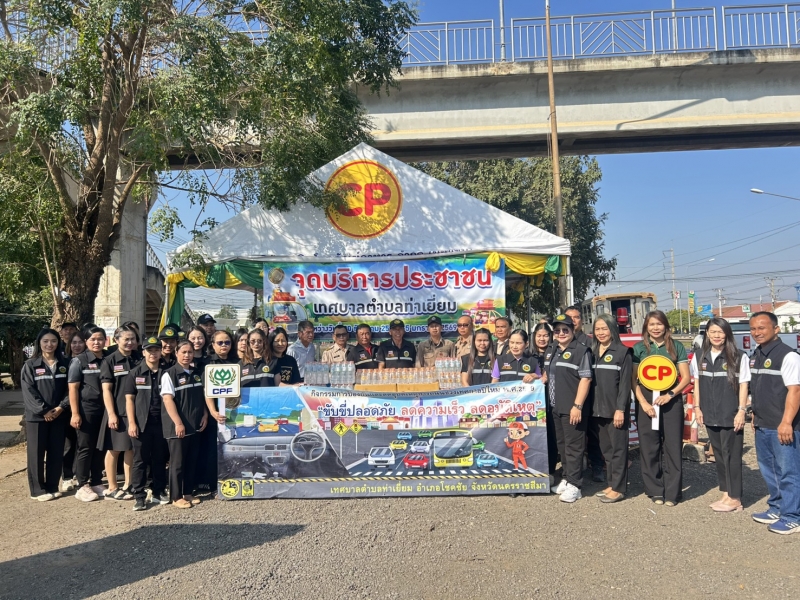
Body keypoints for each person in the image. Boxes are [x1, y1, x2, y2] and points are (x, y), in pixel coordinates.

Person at [748, 311, 800, 534]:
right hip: (763, 423)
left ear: (776, 329)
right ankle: (777, 507)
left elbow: (795, 391)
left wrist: (786, 422)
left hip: (783, 425)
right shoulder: (756, 354)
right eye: (753, 329)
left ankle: (793, 516)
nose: (756, 332)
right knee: (770, 469)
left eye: (762, 328)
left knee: (789, 472)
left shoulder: (788, 356)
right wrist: (755, 415)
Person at [633, 310, 691, 507]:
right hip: (647, 399)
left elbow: (686, 378)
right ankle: (655, 490)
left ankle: (673, 493)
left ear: (666, 326)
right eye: (651, 324)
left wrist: (670, 395)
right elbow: (633, 380)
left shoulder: (676, 346)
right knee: (649, 446)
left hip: (671, 399)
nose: (655, 328)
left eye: (659, 324)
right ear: (646, 327)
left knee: (673, 446)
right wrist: (643, 403)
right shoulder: (639, 348)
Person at [691, 317, 750, 513]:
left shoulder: (739, 357)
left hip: (730, 414)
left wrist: (741, 411)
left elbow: (744, 386)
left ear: (727, 334)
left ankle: (735, 498)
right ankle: (726, 492)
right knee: (719, 454)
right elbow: (696, 384)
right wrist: (697, 408)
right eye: (713, 332)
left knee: (732, 456)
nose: (717, 335)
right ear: (707, 334)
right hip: (710, 413)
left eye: (721, 332)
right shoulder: (699, 356)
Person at [547, 314, 593, 503]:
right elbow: (550, 375)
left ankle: (575, 485)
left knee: (574, 447)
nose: (561, 333)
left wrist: (577, 405)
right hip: (556, 407)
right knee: (563, 445)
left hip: (572, 407)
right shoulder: (553, 349)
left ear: (573, 330)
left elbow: (586, 379)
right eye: (557, 330)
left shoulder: (581, 351)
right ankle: (567, 478)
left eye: (565, 330)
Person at [22, 328, 71, 501]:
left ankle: (52, 486)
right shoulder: (30, 365)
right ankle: (37, 490)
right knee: (36, 454)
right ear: (39, 343)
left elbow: (71, 389)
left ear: (58, 343)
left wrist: (61, 408)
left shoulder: (65, 364)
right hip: (37, 418)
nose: (49, 344)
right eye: (45, 341)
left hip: (59, 415)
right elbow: (29, 391)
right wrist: (44, 410)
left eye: (53, 341)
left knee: (56, 452)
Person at [591, 314, 633, 504]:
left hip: (615, 410)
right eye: (597, 329)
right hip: (596, 409)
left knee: (618, 450)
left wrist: (620, 409)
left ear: (612, 330)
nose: (601, 332)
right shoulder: (592, 352)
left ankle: (619, 488)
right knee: (606, 450)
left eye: (604, 328)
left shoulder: (623, 352)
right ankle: (612, 483)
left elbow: (625, 385)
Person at [161, 339, 208, 508]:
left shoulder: (196, 373)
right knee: (177, 463)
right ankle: (176, 497)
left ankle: (187, 493)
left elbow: (201, 396)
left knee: (191, 461)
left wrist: (205, 414)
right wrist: (178, 423)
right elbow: (167, 400)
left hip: (195, 425)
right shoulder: (169, 374)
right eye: (184, 352)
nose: (187, 355)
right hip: (178, 427)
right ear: (176, 353)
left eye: (190, 352)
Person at [124, 336, 169, 511]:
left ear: (161, 352)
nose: (153, 353)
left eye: (156, 350)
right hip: (142, 423)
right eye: (149, 350)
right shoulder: (134, 373)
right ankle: (139, 495)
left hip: (162, 423)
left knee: (160, 458)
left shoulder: (167, 372)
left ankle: (158, 491)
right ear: (143, 352)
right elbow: (129, 400)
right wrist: (132, 423)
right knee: (140, 460)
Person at [98, 326, 138, 500]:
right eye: (126, 339)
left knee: (130, 449)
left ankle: (129, 484)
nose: (130, 342)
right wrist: (111, 414)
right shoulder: (110, 361)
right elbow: (106, 390)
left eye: (133, 339)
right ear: (116, 340)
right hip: (118, 412)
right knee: (114, 449)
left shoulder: (139, 358)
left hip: (135, 412)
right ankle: (112, 487)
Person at [69, 326, 109, 502]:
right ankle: (82, 484)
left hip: (105, 409)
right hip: (87, 409)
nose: (96, 342)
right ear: (86, 342)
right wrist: (75, 413)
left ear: (105, 340)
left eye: (100, 339)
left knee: (101, 446)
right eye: (93, 339)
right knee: (85, 446)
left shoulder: (108, 358)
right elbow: (73, 388)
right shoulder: (79, 361)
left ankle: (97, 481)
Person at [566, 304, 604, 482]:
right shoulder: (560, 342)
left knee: (592, 434)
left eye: (576, 317)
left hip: (588, 396)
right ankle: (571, 471)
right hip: (567, 397)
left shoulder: (590, 342)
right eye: (570, 318)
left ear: (581, 320)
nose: (573, 321)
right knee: (571, 438)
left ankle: (597, 467)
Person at [203, 329, 239, 494]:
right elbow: (207, 390)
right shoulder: (208, 363)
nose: (224, 345)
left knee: (231, 449)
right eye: (220, 342)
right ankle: (213, 485)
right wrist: (213, 411)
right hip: (214, 415)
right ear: (213, 344)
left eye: (227, 342)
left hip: (233, 415)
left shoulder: (237, 362)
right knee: (212, 451)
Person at [60, 331, 86, 492]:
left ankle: (80, 474)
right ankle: (67, 477)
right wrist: (63, 406)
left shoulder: (88, 361)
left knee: (82, 444)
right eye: (74, 342)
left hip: (85, 408)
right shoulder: (64, 362)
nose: (77, 345)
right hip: (66, 409)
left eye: (80, 342)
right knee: (69, 444)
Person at [532, 322, 558, 477]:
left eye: (545, 335)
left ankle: (552, 471)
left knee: (551, 437)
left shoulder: (556, 352)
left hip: (552, 400)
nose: (542, 339)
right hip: (533, 403)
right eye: (539, 335)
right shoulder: (528, 355)